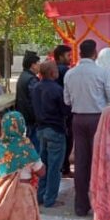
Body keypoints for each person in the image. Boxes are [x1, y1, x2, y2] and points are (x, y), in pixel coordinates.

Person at [63, 40, 110, 217]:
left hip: (78, 119)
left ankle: (81, 205)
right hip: (97, 119)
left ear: (80, 53)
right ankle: (100, 205)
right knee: (99, 161)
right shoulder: (101, 72)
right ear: (95, 53)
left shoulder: (70, 74)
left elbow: (67, 101)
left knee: (81, 163)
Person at [32, 61, 68, 208]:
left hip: (41, 129)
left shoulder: (36, 87)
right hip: (55, 129)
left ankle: (40, 195)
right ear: (52, 73)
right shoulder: (57, 89)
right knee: (54, 166)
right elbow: (65, 110)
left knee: (44, 164)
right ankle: (50, 199)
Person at [53, 44, 73, 176]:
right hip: (65, 111)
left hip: (55, 112)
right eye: (68, 55)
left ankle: (62, 167)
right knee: (67, 140)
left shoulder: (54, 69)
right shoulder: (65, 70)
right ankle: (65, 168)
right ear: (60, 57)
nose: (70, 58)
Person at [15, 53, 41, 149]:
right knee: (35, 146)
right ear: (33, 65)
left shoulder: (23, 76)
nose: (39, 65)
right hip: (31, 119)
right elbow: (35, 100)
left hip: (25, 116)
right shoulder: (31, 79)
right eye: (38, 63)